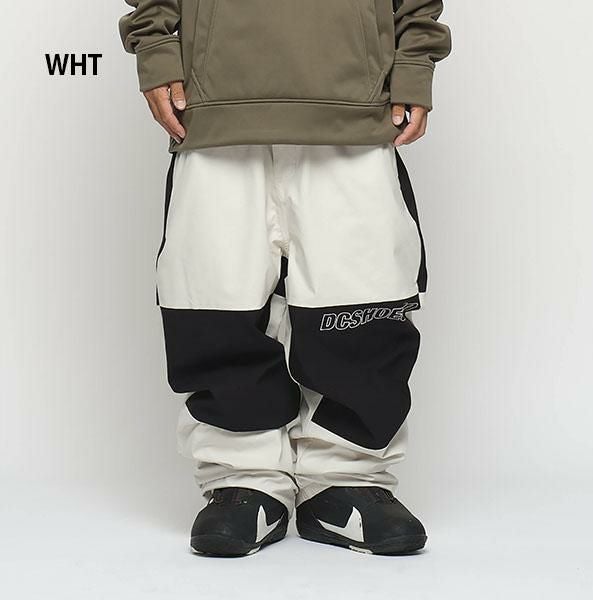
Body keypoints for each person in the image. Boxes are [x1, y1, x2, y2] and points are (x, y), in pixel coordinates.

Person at [119, 0, 451, 557]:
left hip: (354, 101)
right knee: (215, 294)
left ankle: (348, 479)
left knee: (362, 291)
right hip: (216, 103)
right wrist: (156, 50)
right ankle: (243, 479)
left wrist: (414, 61)